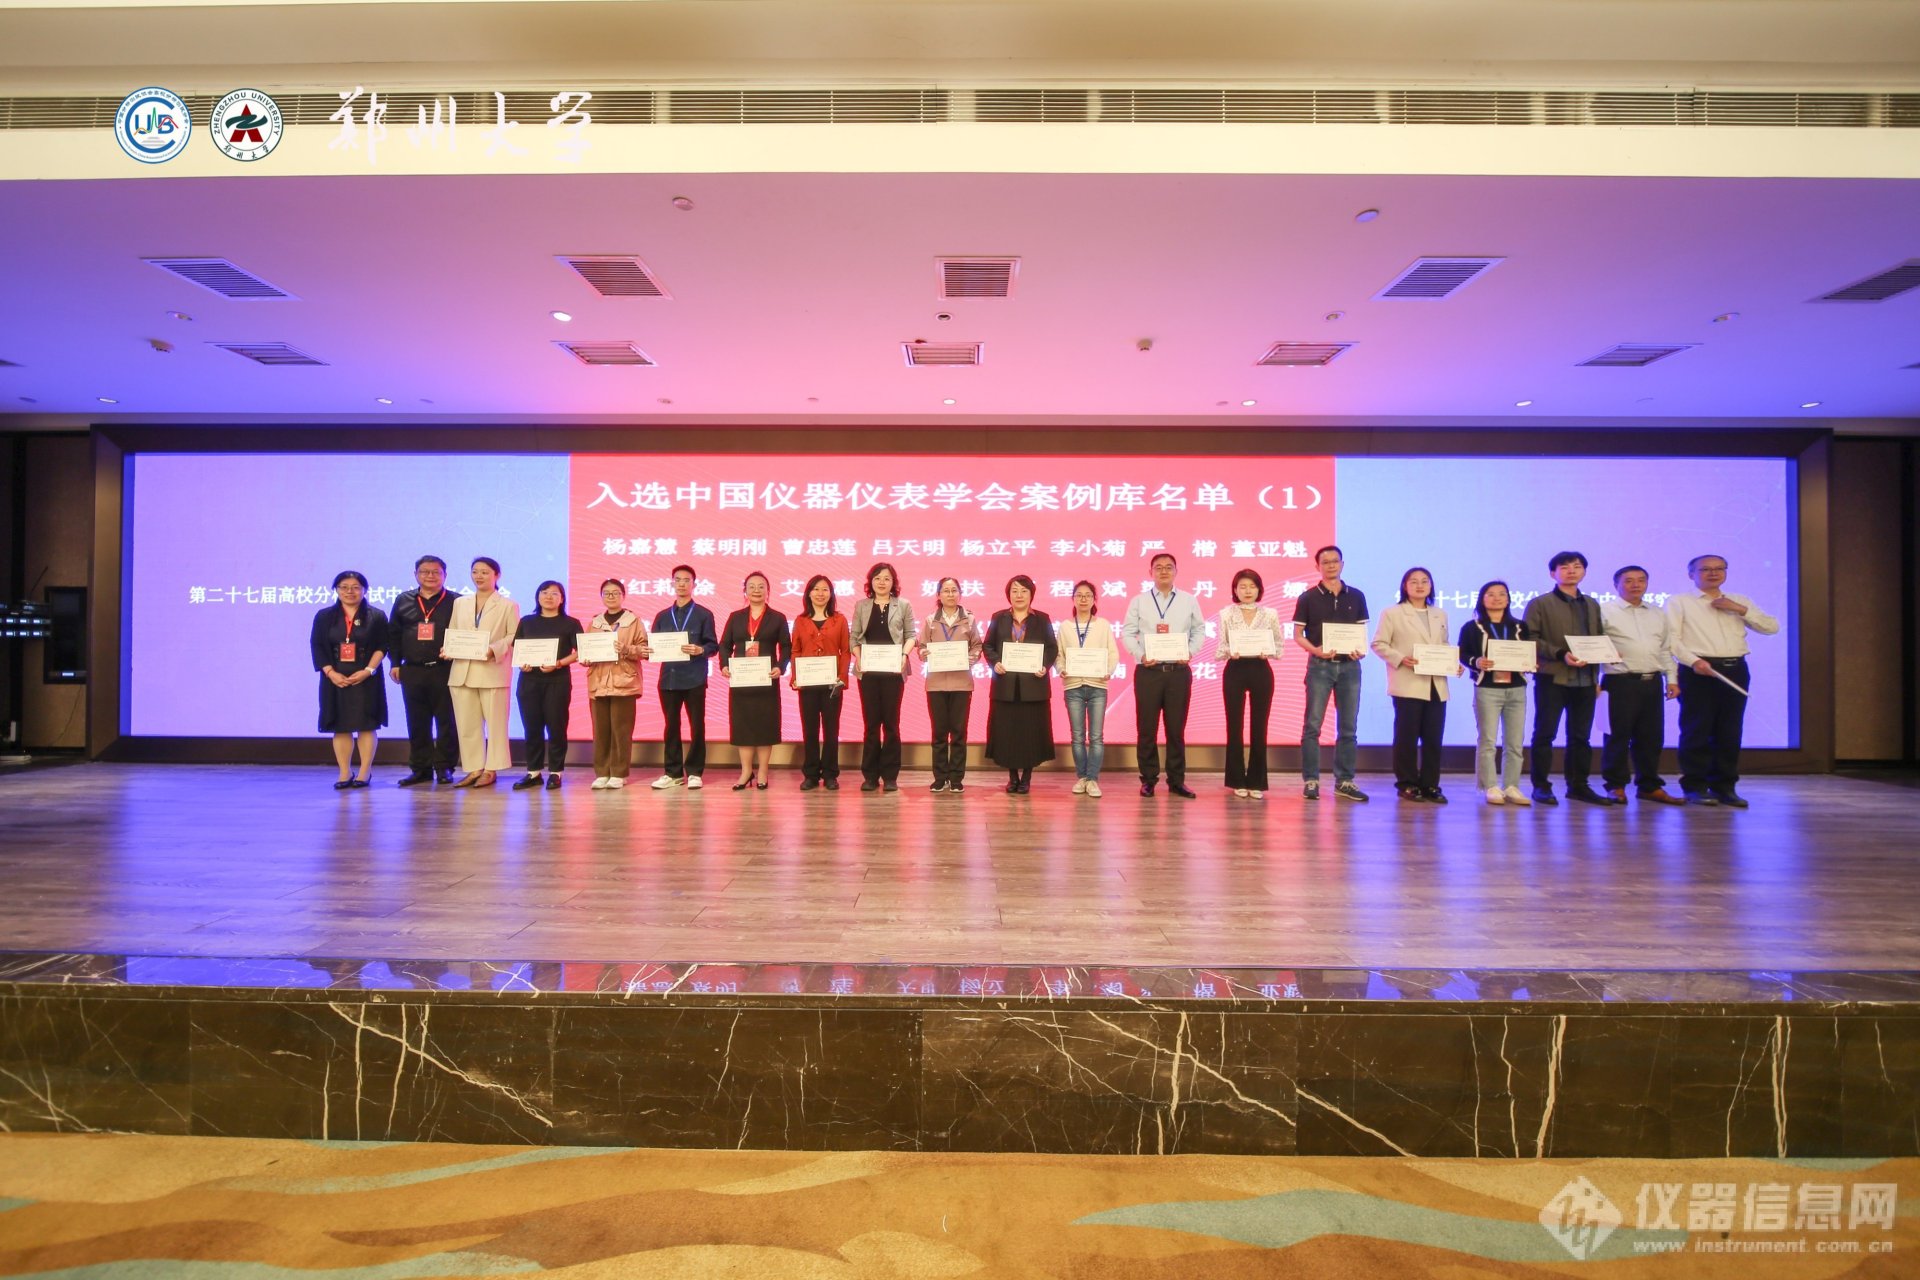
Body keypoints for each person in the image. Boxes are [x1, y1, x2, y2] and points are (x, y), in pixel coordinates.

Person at [1666, 553, 1780, 808]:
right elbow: (1671, 639)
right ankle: (1695, 786)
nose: (1713, 573)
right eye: (1705, 569)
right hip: (1698, 670)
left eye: (1719, 568)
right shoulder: (1680, 602)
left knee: (1729, 730)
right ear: (1691, 574)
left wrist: (1741, 610)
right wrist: (1694, 661)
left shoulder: (1739, 601)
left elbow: (1771, 627)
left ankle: (1725, 786)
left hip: (1735, 669)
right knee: (1697, 730)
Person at [1522, 551, 1612, 806]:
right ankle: (1541, 786)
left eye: (1577, 566)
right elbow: (1529, 639)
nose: (1572, 570)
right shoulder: (1540, 604)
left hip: (1585, 679)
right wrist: (1561, 654)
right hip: (1553, 677)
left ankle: (1578, 786)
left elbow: (1597, 639)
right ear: (1553, 573)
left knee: (1581, 737)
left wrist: (1605, 658)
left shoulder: (1592, 604)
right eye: (1564, 567)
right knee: (1545, 734)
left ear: (1584, 571)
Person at [1120, 552, 1207, 798]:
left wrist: (1189, 652)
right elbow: (1128, 633)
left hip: (1178, 672)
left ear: (1176, 571)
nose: (1164, 571)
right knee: (1146, 728)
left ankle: (1176, 780)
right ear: (1151, 573)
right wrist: (1140, 655)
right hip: (1148, 672)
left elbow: (1199, 630)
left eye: (1169, 567)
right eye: (1158, 567)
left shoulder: (1189, 600)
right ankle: (1148, 779)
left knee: (1176, 730)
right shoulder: (1139, 601)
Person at [1371, 566, 1459, 802]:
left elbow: (1444, 645)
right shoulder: (1392, 613)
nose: (1420, 586)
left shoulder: (1440, 614)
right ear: (1405, 586)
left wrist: (1453, 663)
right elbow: (1379, 644)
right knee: (1406, 738)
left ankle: (1431, 784)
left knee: (1433, 738)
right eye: (1414, 581)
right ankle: (1407, 783)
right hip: (1407, 682)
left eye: (1424, 581)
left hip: (1436, 684)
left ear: (1431, 586)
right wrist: (1401, 658)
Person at [1291, 544, 1370, 801]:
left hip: (1350, 667)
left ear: (1342, 564)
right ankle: (1311, 780)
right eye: (1325, 562)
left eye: (1335, 561)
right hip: (1320, 666)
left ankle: (1345, 780)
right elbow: (1298, 635)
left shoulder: (1356, 596)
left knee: (1348, 727)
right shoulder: (1307, 597)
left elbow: (1361, 634)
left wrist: (1360, 651)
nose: (1331, 565)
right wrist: (1315, 650)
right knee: (1312, 726)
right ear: (1318, 567)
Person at [1600, 565, 1683, 806]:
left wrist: (1672, 679)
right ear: (1616, 585)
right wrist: (1593, 681)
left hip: (1652, 682)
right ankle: (1615, 786)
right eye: (1628, 580)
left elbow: (1664, 650)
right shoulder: (1604, 611)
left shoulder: (1657, 613)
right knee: (1616, 736)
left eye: (1641, 580)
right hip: (1619, 682)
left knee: (1651, 737)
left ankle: (1648, 786)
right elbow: (1592, 646)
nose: (1635, 585)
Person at [310, 569, 388, 790]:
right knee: (340, 726)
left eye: (355, 587)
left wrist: (368, 670)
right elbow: (317, 646)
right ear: (336, 590)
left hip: (366, 677)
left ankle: (364, 771)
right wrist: (330, 673)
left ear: (364, 590)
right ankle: (344, 771)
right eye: (344, 587)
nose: (349, 592)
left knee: (366, 725)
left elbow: (383, 645)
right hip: (335, 678)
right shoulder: (324, 616)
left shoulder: (376, 616)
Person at [1458, 580, 1532, 806]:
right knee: (1488, 740)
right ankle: (1490, 785)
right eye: (1491, 594)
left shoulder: (1520, 627)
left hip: (1516, 688)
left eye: (1502, 594)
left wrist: (1529, 663)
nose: (1497, 598)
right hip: (1487, 689)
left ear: (1508, 599)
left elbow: (1528, 652)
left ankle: (1511, 786)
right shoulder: (1472, 627)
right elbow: (1462, 654)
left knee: (1515, 741)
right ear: (1482, 599)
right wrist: (1476, 661)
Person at [983, 574, 1059, 794]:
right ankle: (1012, 777)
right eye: (1014, 591)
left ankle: (1026, 777)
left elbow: (1052, 648)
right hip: (1005, 687)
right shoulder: (998, 618)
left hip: (1033, 687)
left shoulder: (1042, 619)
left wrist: (1044, 665)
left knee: (1030, 734)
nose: (1019, 595)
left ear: (1031, 595)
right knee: (1007, 734)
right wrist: (995, 662)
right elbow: (988, 645)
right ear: (1008, 594)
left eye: (1024, 591)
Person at [1214, 569, 1287, 798]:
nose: (1247, 591)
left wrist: (1269, 651)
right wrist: (1230, 651)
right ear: (1235, 590)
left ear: (1259, 589)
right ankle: (1237, 779)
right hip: (1235, 670)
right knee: (1234, 726)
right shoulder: (1226, 614)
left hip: (1260, 670)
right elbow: (1220, 647)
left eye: (1252, 586)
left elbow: (1279, 645)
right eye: (1242, 586)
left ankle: (1257, 781)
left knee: (1259, 726)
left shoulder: (1270, 614)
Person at [386, 555, 458, 786]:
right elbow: (394, 634)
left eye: (436, 572)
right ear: (415, 574)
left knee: (447, 722)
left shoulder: (457, 601)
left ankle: (445, 767)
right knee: (417, 721)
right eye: (425, 572)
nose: (430, 576)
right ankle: (420, 769)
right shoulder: (403, 600)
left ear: (445, 575)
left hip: (445, 669)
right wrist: (395, 662)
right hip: (412, 670)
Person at [446, 556, 515, 788]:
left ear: (497, 575)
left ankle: (491, 768)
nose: (479, 576)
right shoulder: (460, 603)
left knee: (496, 724)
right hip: (462, 671)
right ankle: (474, 768)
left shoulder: (508, 605)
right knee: (467, 725)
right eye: (475, 571)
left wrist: (494, 649)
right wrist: (448, 648)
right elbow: (453, 631)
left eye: (485, 572)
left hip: (491, 670)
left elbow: (513, 636)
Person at [718, 570, 791, 790]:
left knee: (765, 726)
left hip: (766, 680)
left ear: (768, 591)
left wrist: (780, 667)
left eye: (761, 586)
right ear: (745, 591)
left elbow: (786, 647)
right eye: (751, 586)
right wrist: (724, 665)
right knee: (744, 726)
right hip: (742, 681)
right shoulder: (735, 617)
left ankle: (763, 772)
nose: (756, 590)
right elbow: (724, 645)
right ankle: (746, 771)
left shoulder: (777, 617)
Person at [650, 564, 720, 791]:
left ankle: (695, 772)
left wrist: (701, 650)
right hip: (669, 679)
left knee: (697, 726)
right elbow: (653, 646)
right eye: (677, 580)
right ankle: (672, 773)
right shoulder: (662, 616)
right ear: (672, 583)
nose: (681, 584)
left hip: (694, 678)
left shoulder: (703, 614)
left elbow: (713, 645)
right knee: (671, 726)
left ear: (694, 584)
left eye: (686, 580)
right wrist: (647, 650)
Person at [511, 580, 583, 791]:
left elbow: (580, 651)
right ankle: (533, 772)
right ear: (537, 596)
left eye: (554, 593)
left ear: (562, 599)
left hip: (557, 681)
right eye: (544, 592)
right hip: (529, 681)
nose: (549, 597)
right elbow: (517, 648)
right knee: (531, 727)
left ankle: (555, 772)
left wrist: (558, 663)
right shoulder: (526, 621)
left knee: (556, 727)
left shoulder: (570, 623)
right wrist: (522, 663)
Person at [850, 561, 915, 793]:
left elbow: (911, 635)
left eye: (887, 578)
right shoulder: (861, 605)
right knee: (871, 724)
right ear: (871, 581)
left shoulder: (903, 605)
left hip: (893, 672)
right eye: (877, 578)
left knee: (891, 724)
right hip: (868, 672)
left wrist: (904, 656)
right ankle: (870, 776)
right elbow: (854, 637)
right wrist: (858, 656)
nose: (882, 582)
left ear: (893, 582)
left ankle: (890, 776)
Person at [915, 576, 982, 793]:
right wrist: (924, 653)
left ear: (960, 594)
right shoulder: (930, 620)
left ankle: (956, 778)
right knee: (939, 733)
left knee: (959, 733)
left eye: (954, 590)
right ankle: (940, 777)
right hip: (936, 684)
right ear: (938, 595)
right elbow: (921, 646)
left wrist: (971, 658)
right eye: (946, 590)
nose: (950, 594)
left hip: (962, 683)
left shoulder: (969, 619)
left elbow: (977, 646)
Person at [584, 578, 649, 790]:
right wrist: (585, 658)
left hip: (625, 681)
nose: (611, 597)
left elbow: (645, 650)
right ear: (601, 596)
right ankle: (602, 772)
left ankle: (619, 773)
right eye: (606, 593)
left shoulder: (634, 621)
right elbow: (586, 649)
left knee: (621, 731)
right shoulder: (594, 622)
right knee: (600, 730)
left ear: (623, 596)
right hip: (598, 682)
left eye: (615, 593)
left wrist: (627, 649)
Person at [1058, 580, 1120, 798]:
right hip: (1073, 686)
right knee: (1077, 737)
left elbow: (1112, 653)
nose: (1083, 599)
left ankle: (1093, 779)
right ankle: (1082, 777)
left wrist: (1108, 670)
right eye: (1079, 595)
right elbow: (1059, 654)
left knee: (1096, 737)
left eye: (1088, 595)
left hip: (1097, 685)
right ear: (1073, 599)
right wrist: (1061, 669)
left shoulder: (1103, 625)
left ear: (1094, 600)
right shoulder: (1065, 626)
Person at [789, 574, 850, 791]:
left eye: (825, 590)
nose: (820, 594)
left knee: (831, 730)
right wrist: (796, 677)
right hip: (807, 684)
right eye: (816, 589)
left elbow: (845, 651)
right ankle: (811, 774)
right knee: (810, 729)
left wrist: (841, 678)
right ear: (808, 593)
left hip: (832, 684)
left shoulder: (839, 620)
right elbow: (795, 650)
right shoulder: (800, 621)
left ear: (831, 594)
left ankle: (831, 774)